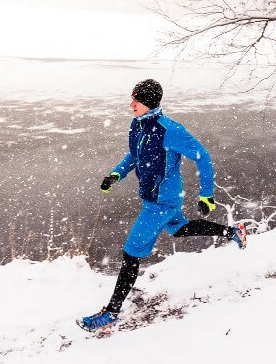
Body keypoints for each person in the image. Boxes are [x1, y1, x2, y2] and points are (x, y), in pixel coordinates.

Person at [76, 78, 248, 334]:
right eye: (132, 98)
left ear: (149, 102)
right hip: (155, 196)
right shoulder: (138, 125)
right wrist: (117, 174)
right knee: (179, 229)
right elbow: (134, 155)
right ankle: (233, 232)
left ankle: (111, 314)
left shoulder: (170, 130)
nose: (131, 104)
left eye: (136, 100)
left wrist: (206, 195)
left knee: (131, 254)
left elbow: (203, 156)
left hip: (162, 201)